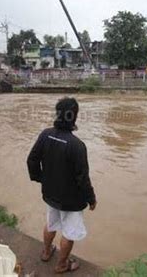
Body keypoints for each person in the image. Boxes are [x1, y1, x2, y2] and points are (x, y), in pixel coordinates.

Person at [27, 97, 96, 274]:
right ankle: (62, 264)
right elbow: (83, 178)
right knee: (69, 232)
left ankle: (46, 251)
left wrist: (40, 178)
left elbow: (32, 160)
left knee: (51, 223)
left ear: (58, 114)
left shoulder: (45, 134)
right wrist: (91, 199)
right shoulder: (77, 145)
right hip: (70, 201)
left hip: (50, 194)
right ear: (74, 117)